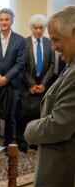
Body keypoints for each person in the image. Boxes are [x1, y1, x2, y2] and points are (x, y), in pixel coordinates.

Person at [24, 5, 75, 187]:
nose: (53, 47)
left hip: (63, 172)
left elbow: (59, 125)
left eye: (56, 40)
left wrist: (29, 129)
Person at [0, 8, 25, 156]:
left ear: (12, 21)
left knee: (11, 116)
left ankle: (7, 145)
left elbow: (20, 63)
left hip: (12, 84)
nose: (4, 22)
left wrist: (6, 78)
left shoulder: (20, 40)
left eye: (7, 19)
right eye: (1, 19)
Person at [16, 14, 55, 153]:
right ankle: (22, 142)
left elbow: (52, 65)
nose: (38, 31)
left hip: (43, 88)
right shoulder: (23, 43)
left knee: (39, 116)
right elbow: (21, 66)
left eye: (41, 28)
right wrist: (31, 84)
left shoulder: (49, 43)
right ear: (31, 28)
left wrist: (43, 84)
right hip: (27, 87)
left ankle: (35, 142)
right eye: (35, 28)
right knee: (23, 116)